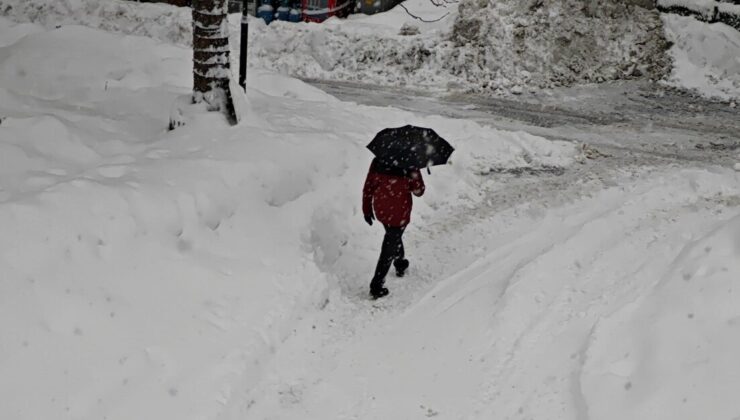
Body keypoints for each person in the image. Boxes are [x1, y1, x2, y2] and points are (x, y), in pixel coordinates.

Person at [362, 158, 425, 299]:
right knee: (390, 244)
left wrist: (366, 208)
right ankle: (376, 285)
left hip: (382, 209)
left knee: (393, 236)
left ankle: (400, 263)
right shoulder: (411, 163)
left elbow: (369, 185)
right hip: (399, 212)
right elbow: (419, 191)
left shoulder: (379, 160)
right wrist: (413, 176)